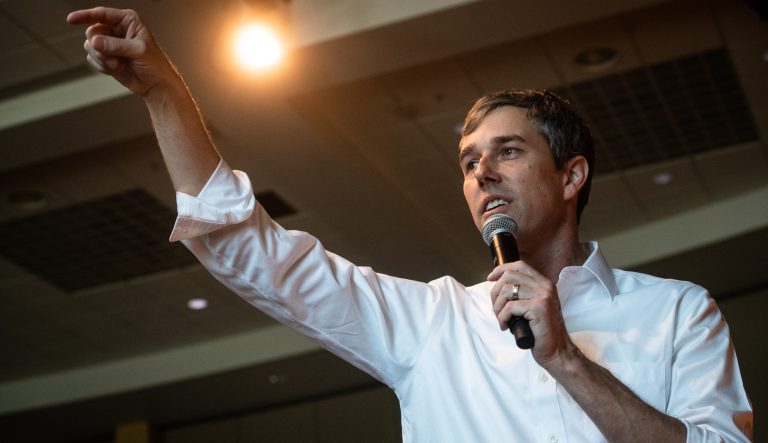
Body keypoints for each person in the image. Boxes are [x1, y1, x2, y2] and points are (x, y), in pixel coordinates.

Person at [67, 6, 753, 442]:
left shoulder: (677, 311)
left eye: (508, 152)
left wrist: (565, 359)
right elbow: (251, 251)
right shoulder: (431, 323)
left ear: (571, 177)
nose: (480, 173)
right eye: (468, 161)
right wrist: (163, 92)